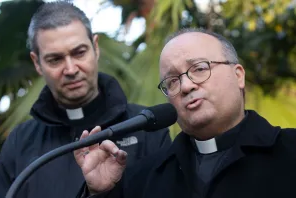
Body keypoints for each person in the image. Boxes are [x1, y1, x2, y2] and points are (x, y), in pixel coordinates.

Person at [75, 28, 296, 198]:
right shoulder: (141, 178)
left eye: (199, 68)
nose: (187, 86)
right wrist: (100, 194)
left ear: (238, 75)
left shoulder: (290, 150)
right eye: (172, 81)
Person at [0, 2, 172, 198]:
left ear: (95, 47)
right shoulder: (20, 142)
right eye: (55, 59)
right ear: (37, 63)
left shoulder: (147, 128)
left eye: (79, 53)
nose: (71, 69)